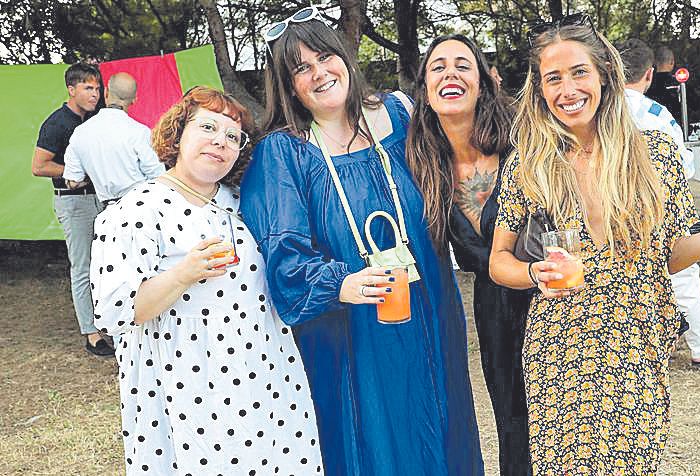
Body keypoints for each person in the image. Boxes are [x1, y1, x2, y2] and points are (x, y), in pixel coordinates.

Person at [489, 14, 700, 474]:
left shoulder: (655, 153)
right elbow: (498, 262)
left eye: (579, 72)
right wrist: (532, 274)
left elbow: (674, 254)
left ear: (605, 74)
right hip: (561, 347)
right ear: (541, 90)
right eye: (553, 78)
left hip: (637, 340)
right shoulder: (531, 163)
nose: (568, 90)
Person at [240, 9, 483, 476]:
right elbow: (283, 256)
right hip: (353, 326)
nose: (319, 73)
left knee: (440, 416)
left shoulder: (399, 114)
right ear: (290, 86)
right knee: (375, 437)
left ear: (346, 59)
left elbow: (466, 169)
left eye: (326, 57)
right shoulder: (284, 153)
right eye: (301, 68)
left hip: (429, 303)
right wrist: (340, 284)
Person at [89, 86, 324, 474]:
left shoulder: (245, 200)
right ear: (178, 133)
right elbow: (119, 312)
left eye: (233, 136)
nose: (220, 141)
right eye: (208, 127)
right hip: (188, 383)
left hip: (264, 371)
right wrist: (185, 273)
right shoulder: (136, 210)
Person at [406, 34, 531, 475]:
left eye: (463, 64)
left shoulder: (525, 139)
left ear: (483, 81)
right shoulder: (419, 164)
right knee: (513, 424)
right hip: (493, 304)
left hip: (551, 292)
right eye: (438, 67)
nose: (450, 73)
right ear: (423, 89)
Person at [618, 38, 700, 367]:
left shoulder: (597, 110)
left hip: (609, 210)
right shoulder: (656, 114)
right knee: (681, 273)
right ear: (649, 74)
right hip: (656, 208)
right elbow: (684, 166)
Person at [31, 63, 111, 357]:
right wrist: (78, 172)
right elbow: (38, 166)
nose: (95, 94)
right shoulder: (57, 123)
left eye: (98, 88)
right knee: (83, 267)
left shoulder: (94, 119)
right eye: (88, 88)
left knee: (104, 263)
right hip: (73, 200)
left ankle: (107, 321)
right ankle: (90, 332)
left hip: (99, 199)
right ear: (71, 89)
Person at [63, 72, 164, 206]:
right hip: (142, 206)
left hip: (108, 212)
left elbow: (73, 181)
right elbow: (158, 175)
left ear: (106, 93)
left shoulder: (80, 132)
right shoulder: (140, 132)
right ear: (134, 99)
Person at [646, 45, 682, 124]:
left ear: (655, 62)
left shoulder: (647, 84)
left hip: (652, 125)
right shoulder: (679, 84)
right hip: (676, 127)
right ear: (672, 62)